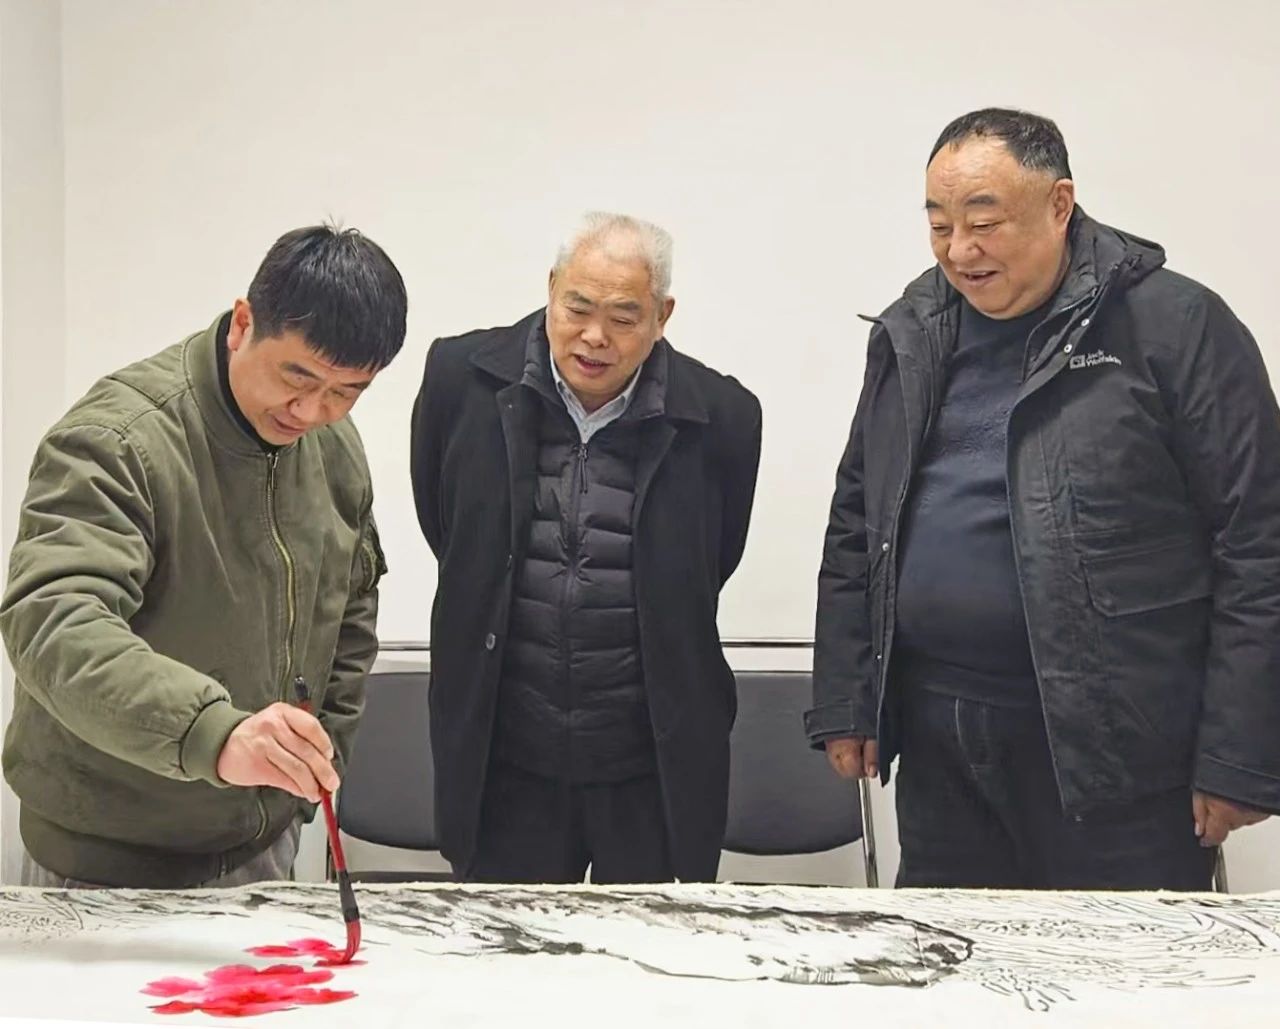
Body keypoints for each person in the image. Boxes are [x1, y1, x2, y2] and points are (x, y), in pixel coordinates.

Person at [809, 108, 1278, 890]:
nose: (960, 250)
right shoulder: (913, 330)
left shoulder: (1175, 325)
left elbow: (1259, 539)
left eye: (984, 222)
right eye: (939, 225)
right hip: (941, 742)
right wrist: (848, 696)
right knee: (947, 956)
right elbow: (860, 518)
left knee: (1119, 960)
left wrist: (1241, 753)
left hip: (1118, 749)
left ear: (1060, 205)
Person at [1, 224, 408, 888]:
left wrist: (315, 766)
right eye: (297, 376)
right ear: (244, 323)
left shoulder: (333, 447)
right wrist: (211, 733)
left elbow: (349, 614)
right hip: (106, 856)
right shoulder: (118, 439)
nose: (311, 410)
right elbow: (54, 625)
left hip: (261, 847)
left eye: (346, 391)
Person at [411, 212, 762, 884]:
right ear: (551, 289)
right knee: (507, 943)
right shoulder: (462, 380)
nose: (595, 336)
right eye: (577, 308)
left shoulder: (722, 417)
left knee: (650, 944)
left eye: (624, 317)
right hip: (508, 759)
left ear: (662, 316)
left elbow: (711, 564)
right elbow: (449, 529)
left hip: (647, 764)